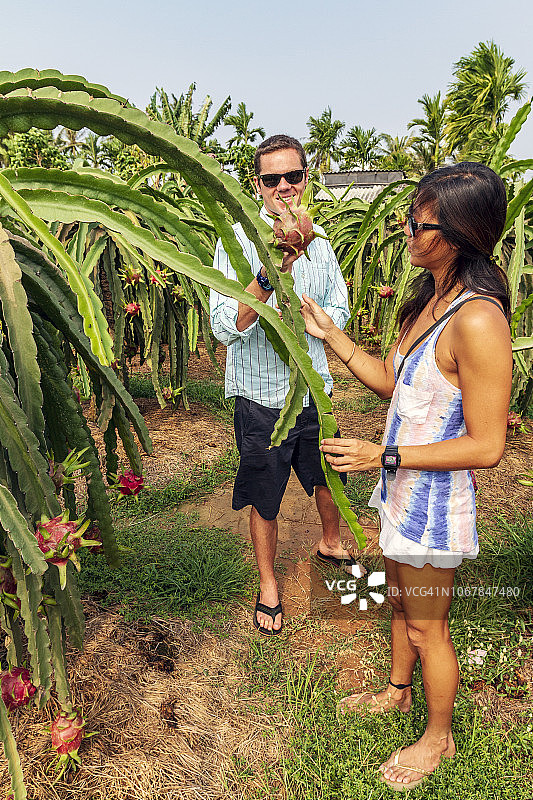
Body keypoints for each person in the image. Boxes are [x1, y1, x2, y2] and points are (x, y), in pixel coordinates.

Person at [300, 162, 512, 790]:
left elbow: (487, 444)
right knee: (399, 601)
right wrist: (334, 336)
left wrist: (384, 456)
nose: (407, 231)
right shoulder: (432, 302)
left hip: (433, 500)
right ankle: (397, 692)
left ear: (458, 235)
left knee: (428, 623)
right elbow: (398, 387)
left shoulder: (477, 321)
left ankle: (438, 738)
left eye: (419, 223)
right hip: (401, 490)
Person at [210, 134, 358, 635]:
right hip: (261, 399)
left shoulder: (322, 245)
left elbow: (339, 308)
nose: (284, 188)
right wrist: (272, 275)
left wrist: (317, 318)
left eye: (293, 176)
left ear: (305, 178)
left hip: (315, 389)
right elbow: (224, 323)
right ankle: (269, 585)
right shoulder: (235, 240)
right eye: (272, 178)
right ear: (259, 185)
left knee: (327, 476)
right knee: (264, 494)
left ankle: (331, 542)